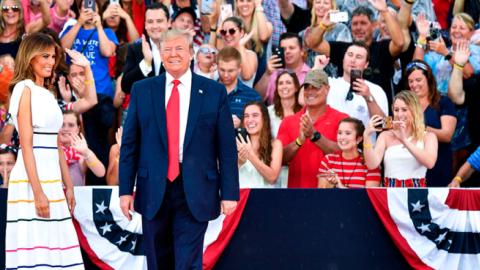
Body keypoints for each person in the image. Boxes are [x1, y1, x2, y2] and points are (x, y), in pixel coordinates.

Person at [119, 29, 239, 269]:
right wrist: (125, 190)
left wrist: (229, 193)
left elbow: (226, 147)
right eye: (167, 50)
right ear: (160, 55)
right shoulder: (142, 90)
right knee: (158, 262)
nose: (173, 54)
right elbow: (130, 145)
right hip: (153, 188)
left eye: (179, 49)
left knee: (187, 263)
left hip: (196, 188)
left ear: (191, 53)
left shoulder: (214, 92)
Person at [5, 33, 83, 269]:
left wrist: (68, 184)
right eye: (45, 56)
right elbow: (26, 145)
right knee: (36, 253)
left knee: (59, 250)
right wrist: (38, 192)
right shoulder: (23, 88)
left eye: (53, 56)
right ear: (30, 58)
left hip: (53, 181)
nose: (50, 61)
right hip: (31, 181)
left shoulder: (48, 93)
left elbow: (57, 143)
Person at [308, 2, 405, 104]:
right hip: (347, 111)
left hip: (377, 109)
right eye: (355, 24)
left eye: (363, 23)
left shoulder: (382, 48)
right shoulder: (343, 49)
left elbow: (399, 43)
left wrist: (384, 11)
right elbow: (313, 44)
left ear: (374, 25)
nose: (358, 28)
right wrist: (323, 25)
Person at [277, 69, 348, 188]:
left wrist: (314, 135)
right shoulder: (288, 122)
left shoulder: (342, 120)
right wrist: (299, 141)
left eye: (316, 87)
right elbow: (279, 159)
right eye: (307, 87)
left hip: (331, 195)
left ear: (327, 89)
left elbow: (345, 155)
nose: (310, 92)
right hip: (297, 195)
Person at [363, 91, 438, 187]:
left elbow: (430, 163)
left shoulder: (428, 136)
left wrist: (404, 141)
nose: (399, 114)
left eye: (404, 109)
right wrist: (366, 136)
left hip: (415, 192)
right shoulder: (385, 135)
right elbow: (372, 164)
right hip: (390, 192)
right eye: (396, 110)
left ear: (414, 111)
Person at [405, 60, 456, 187]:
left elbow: (447, 135)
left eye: (418, 80)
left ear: (428, 79)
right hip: (412, 166)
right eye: (411, 81)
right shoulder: (406, 105)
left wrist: (420, 128)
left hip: (438, 165)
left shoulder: (443, 102)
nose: (414, 84)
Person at [326, 41, 388, 129]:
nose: (353, 60)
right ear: (343, 58)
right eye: (350, 55)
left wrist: (369, 98)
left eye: (359, 57)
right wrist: (316, 68)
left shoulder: (376, 90)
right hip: (331, 141)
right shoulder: (328, 84)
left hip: (364, 142)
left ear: (366, 64)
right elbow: (302, 100)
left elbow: (385, 126)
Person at [121, 3, 170, 94]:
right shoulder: (135, 48)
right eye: (150, 22)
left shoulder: (180, 48)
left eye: (159, 21)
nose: (155, 26)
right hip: (144, 106)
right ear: (145, 25)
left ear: (168, 23)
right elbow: (126, 86)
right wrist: (146, 63)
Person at [318, 117, 381, 188]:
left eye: (347, 133)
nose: (342, 137)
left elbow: (370, 197)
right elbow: (321, 194)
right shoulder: (328, 160)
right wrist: (329, 184)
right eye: (340, 133)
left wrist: (340, 186)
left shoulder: (370, 164)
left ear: (359, 139)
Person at [267, 70, 302, 187]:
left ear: (296, 87)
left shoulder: (304, 113)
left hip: (299, 168)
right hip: (276, 169)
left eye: (288, 82)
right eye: (280, 83)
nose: (284, 86)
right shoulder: (268, 113)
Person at [237, 101, 282, 188]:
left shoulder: (275, 144)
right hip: (241, 198)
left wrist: (250, 155)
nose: (250, 120)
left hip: (264, 198)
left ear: (264, 119)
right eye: (246, 116)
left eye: (255, 115)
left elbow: (272, 178)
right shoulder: (236, 142)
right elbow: (226, 177)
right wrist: (239, 163)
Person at [256, 32, 310, 104]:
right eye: (283, 49)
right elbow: (256, 99)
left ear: (302, 51)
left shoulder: (310, 74)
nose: (287, 51)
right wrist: (267, 74)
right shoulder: (273, 72)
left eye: (292, 48)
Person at [216, 46, 261, 128]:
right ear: (217, 67)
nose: (226, 75)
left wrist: (242, 124)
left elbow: (262, 126)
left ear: (239, 69)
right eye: (222, 70)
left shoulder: (252, 96)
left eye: (230, 71)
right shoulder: (206, 92)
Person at [60, 111, 106, 186]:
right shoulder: (50, 150)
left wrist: (86, 152)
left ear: (78, 129)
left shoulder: (81, 152)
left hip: (76, 197)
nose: (66, 128)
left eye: (71, 125)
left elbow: (101, 173)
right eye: (62, 125)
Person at [209, 16, 258, 87]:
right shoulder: (220, 56)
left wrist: (241, 46)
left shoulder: (250, 54)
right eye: (223, 32)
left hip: (243, 97)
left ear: (241, 33)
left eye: (232, 31)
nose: (227, 34)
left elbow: (246, 76)